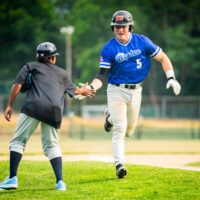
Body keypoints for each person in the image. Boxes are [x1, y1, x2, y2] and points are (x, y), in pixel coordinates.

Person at [81, 10, 181, 178]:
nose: (120, 30)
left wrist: (171, 78)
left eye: (123, 26)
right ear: (112, 28)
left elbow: (163, 58)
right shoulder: (109, 48)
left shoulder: (142, 41)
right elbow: (102, 75)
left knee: (129, 131)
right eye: (116, 27)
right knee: (120, 129)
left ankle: (109, 117)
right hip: (116, 90)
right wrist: (91, 87)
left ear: (130, 27)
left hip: (137, 91)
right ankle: (119, 164)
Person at [0, 42, 95, 191]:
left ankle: (12, 178)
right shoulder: (62, 73)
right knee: (52, 146)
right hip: (54, 110)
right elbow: (76, 91)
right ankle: (60, 182)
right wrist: (86, 90)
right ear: (52, 58)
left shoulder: (30, 66)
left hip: (34, 106)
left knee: (18, 141)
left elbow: (17, 84)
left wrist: (10, 105)